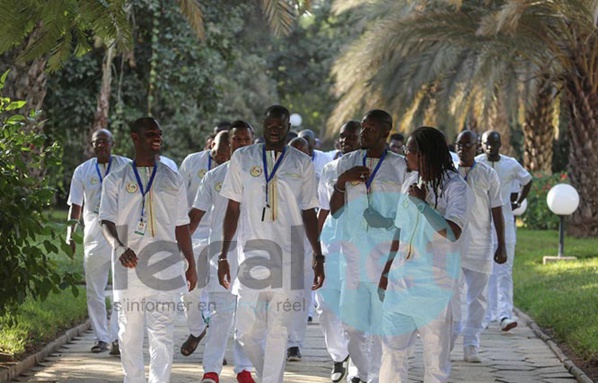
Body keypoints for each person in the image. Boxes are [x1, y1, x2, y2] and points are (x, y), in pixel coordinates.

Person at [217, 105, 325, 383]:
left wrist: (318, 254)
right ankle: (269, 376)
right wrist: (222, 255)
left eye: (280, 126)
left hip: (289, 258)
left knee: (278, 332)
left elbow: (310, 212)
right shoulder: (242, 158)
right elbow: (232, 209)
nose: (274, 130)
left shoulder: (301, 163)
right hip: (251, 256)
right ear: (263, 126)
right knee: (245, 332)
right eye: (269, 125)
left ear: (288, 127)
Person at [99, 117, 197, 383]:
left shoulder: (172, 178)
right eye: (151, 133)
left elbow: (182, 225)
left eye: (159, 133)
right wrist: (119, 248)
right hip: (128, 267)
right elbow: (105, 220)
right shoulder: (116, 179)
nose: (157, 138)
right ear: (135, 137)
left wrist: (191, 264)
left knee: (162, 334)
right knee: (129, 333)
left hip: (166, 267)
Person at [378, 126, 473, 383]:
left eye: (409, 150)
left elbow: (453, 231)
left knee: (436, 361)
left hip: (435, 285)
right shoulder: (410, 182)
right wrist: (386, 272)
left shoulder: (456, 187)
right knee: (392, 352)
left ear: (423, 154)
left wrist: (422, 204)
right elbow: (399, 230)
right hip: (401, 280)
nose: (405, 155)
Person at [330, 109, 408, 383]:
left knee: (379, 323)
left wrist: (385, 222)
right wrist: (342, 181)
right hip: (351, 254)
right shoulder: (347, 161)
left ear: (386, 132)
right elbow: (334, 210)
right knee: (350, 324)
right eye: (362, 127)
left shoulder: (400, 166)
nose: (363, 133)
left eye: (370, 129)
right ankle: (359, 370)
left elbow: (407, 216)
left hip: (385, 256)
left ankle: (370, 376)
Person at [190, 121, 255, 383]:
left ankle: (243, 369)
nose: (240, 144)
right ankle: (211, 371)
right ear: (228, 144)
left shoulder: (261, 175)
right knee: (222, 314)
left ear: (253, 141)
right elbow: (195, 215)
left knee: (247, 314)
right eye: (235, 140)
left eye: (245, 139)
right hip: (222, 253)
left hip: (255, 252)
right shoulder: (214, 177)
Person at [66, 129, 130, 355]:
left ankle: (116, 338)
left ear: (113, 143)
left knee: (122, 289)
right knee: (95, 289)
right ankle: (101, 337)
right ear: (91, 145)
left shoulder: (127, 166)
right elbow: (76, 205)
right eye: (97, 142)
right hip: (94, 234)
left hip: (122, 233)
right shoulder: (82, 171)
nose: (101, 145)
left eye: (105, 141)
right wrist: (69, 234)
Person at [453, 130, 507, 363]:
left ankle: (471, 343)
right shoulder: (448, 173)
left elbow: (497, 211)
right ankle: (448, 341)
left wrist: (501, 245)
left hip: (480, 245)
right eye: (459, 144)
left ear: (477, 148)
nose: (463, 148)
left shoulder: (487, 174)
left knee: (478, 298)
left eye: (468, 145)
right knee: (451, 298)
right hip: (451, 246)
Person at [178, 130, 230, 356]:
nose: (223, 155)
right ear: (211, 144)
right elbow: (178, 195)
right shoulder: (192, 161)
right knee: (189, 290)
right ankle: (197, 329)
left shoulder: (238, 171)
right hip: (194, 233)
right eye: (220, 149)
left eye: (228, 151)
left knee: (223, 297)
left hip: (224, 238)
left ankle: (216, 353)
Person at [315, 120, 361, 382]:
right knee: (326, 308)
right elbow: (323, 209)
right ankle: (338, 356)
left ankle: (356, 366)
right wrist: (314, 248)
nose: (346, 141)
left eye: (352, 137)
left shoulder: (368, 170)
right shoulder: (329, 169)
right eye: (343, 137)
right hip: (330, 245)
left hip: (359, 247)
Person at [477, 131, 532, 332]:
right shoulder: (476, 163)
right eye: (487, 143)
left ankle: (505, 315)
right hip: (481, 226)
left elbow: (528, 180)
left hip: (506, 224)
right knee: (485, 272)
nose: (491, 147)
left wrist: (518, 201)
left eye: (494, 143)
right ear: (481, 145)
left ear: (501, 144)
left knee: (504, 270)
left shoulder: (510, 164)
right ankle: (486, 315)